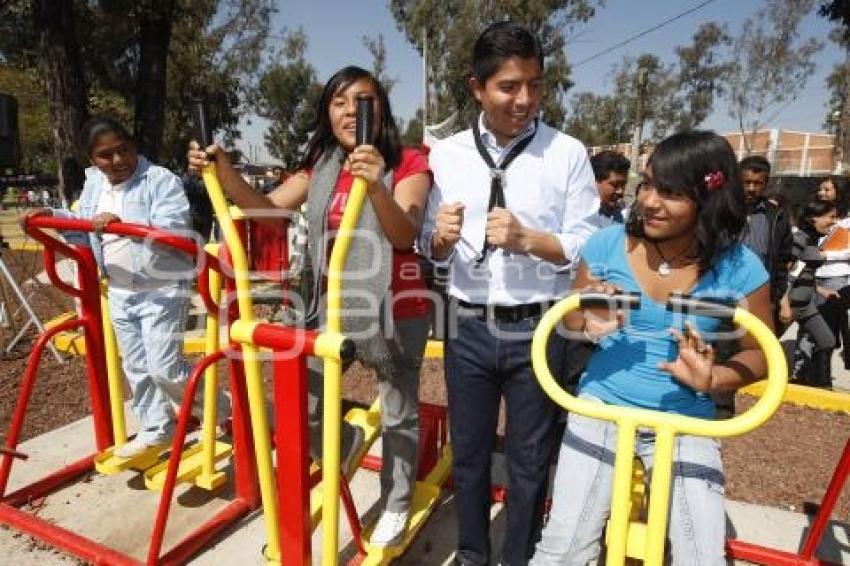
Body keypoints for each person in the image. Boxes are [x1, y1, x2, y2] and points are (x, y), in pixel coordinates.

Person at [188, 65, 432, 547]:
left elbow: (404, 234)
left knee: (400, 412)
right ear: (327, 111)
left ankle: (397, 504)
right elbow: (268, 211)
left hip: (393, 306)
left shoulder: (408, 163)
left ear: (378, 107)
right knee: (305, 402)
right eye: (338, 102)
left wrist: (378, 184)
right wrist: (224, 173)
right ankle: (344, 444)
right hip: (328, 305)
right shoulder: (322, 163)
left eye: (361, 101)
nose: (348, 111)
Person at [530, 131, 771, 565]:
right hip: (603, 405)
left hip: (686, 417)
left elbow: (761, 353)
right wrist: (590, 324)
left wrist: (714, 378)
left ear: (709, 197)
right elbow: (570, 320)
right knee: (562, 550)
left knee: (701, 558)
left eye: (673, 192)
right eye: (650, 184)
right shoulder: (605, 245)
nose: (651, 201)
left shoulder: (741, 267)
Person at [420, 22, 600, 566]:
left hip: (538, 327)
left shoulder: (565, 153)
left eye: (535, 85)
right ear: (477, 87)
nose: (524, 99)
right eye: (509, 87)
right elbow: (433, 247)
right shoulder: (446, 155)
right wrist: (440, 241)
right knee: (470, 456)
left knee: (529, 460)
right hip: (467, 324)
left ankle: (519, 556)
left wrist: (530, 240)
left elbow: (589, 239)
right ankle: (473, 553)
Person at [23, 116, 229, 458]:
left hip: (161, 287)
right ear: (93, 160)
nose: (118, 160)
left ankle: (222, 409)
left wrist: (124, 225)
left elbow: (174, 230)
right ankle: (156, 427)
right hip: (120, 289)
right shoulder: (94, 185)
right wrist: (50, 213)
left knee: (166, 368)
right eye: (106, 155)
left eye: (124, 150)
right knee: (135, 366)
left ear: (134, 145)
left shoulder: (157, 179)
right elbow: (81, 221)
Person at [739, 155, 793, 333]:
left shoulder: (778, 217)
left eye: (757, 183)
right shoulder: (724, 211)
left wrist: (776, 297)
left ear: (766, 183)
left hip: (761, 298)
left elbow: (782, 262)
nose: (751, 188)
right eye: (746, 182)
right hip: (725, 296)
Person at [788, 200, 837, 387]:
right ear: (813, 218)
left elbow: (804, 270)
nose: (834, 221)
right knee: (764, 341)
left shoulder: (814, 240)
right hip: (791, 304)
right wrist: (784, 303)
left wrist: (820, 289)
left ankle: (815, 383)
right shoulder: (800, 238)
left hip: (806, 305)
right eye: (830, 217)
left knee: (827, 341)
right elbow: (788, 272)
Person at [590, 150, 630, 226]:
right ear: (595, 181)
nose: (621, 192)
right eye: (615, 185)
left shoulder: (620, 214)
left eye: (623, 185)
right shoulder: (581, 217)